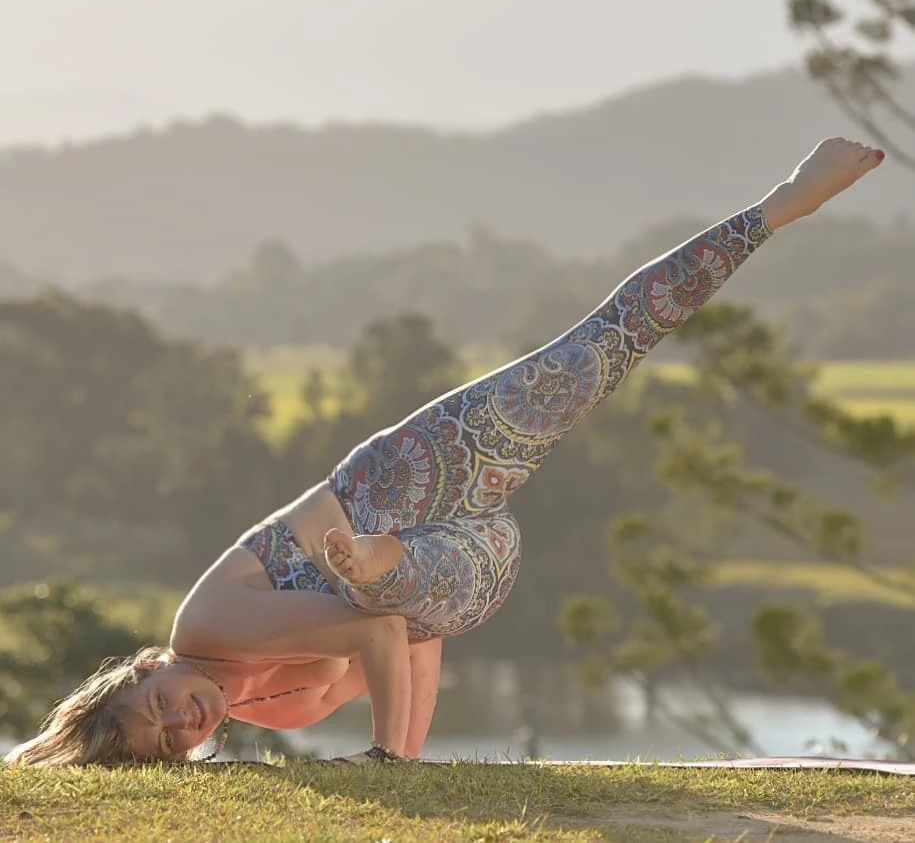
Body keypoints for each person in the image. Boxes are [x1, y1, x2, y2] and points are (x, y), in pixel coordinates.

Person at [6, 137, 885, 768]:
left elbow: (376, 631)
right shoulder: (277, 709)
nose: (182, 719)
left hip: (403, 479)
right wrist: (407, 766)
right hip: (466, 563)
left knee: (595, 349)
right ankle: (380, 564)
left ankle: (782, 203)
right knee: (408, 608)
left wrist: (386, 757)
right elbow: (411, 648)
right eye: (169, 739)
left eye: (159, 703)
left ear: (150, 669)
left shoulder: (203, 630)